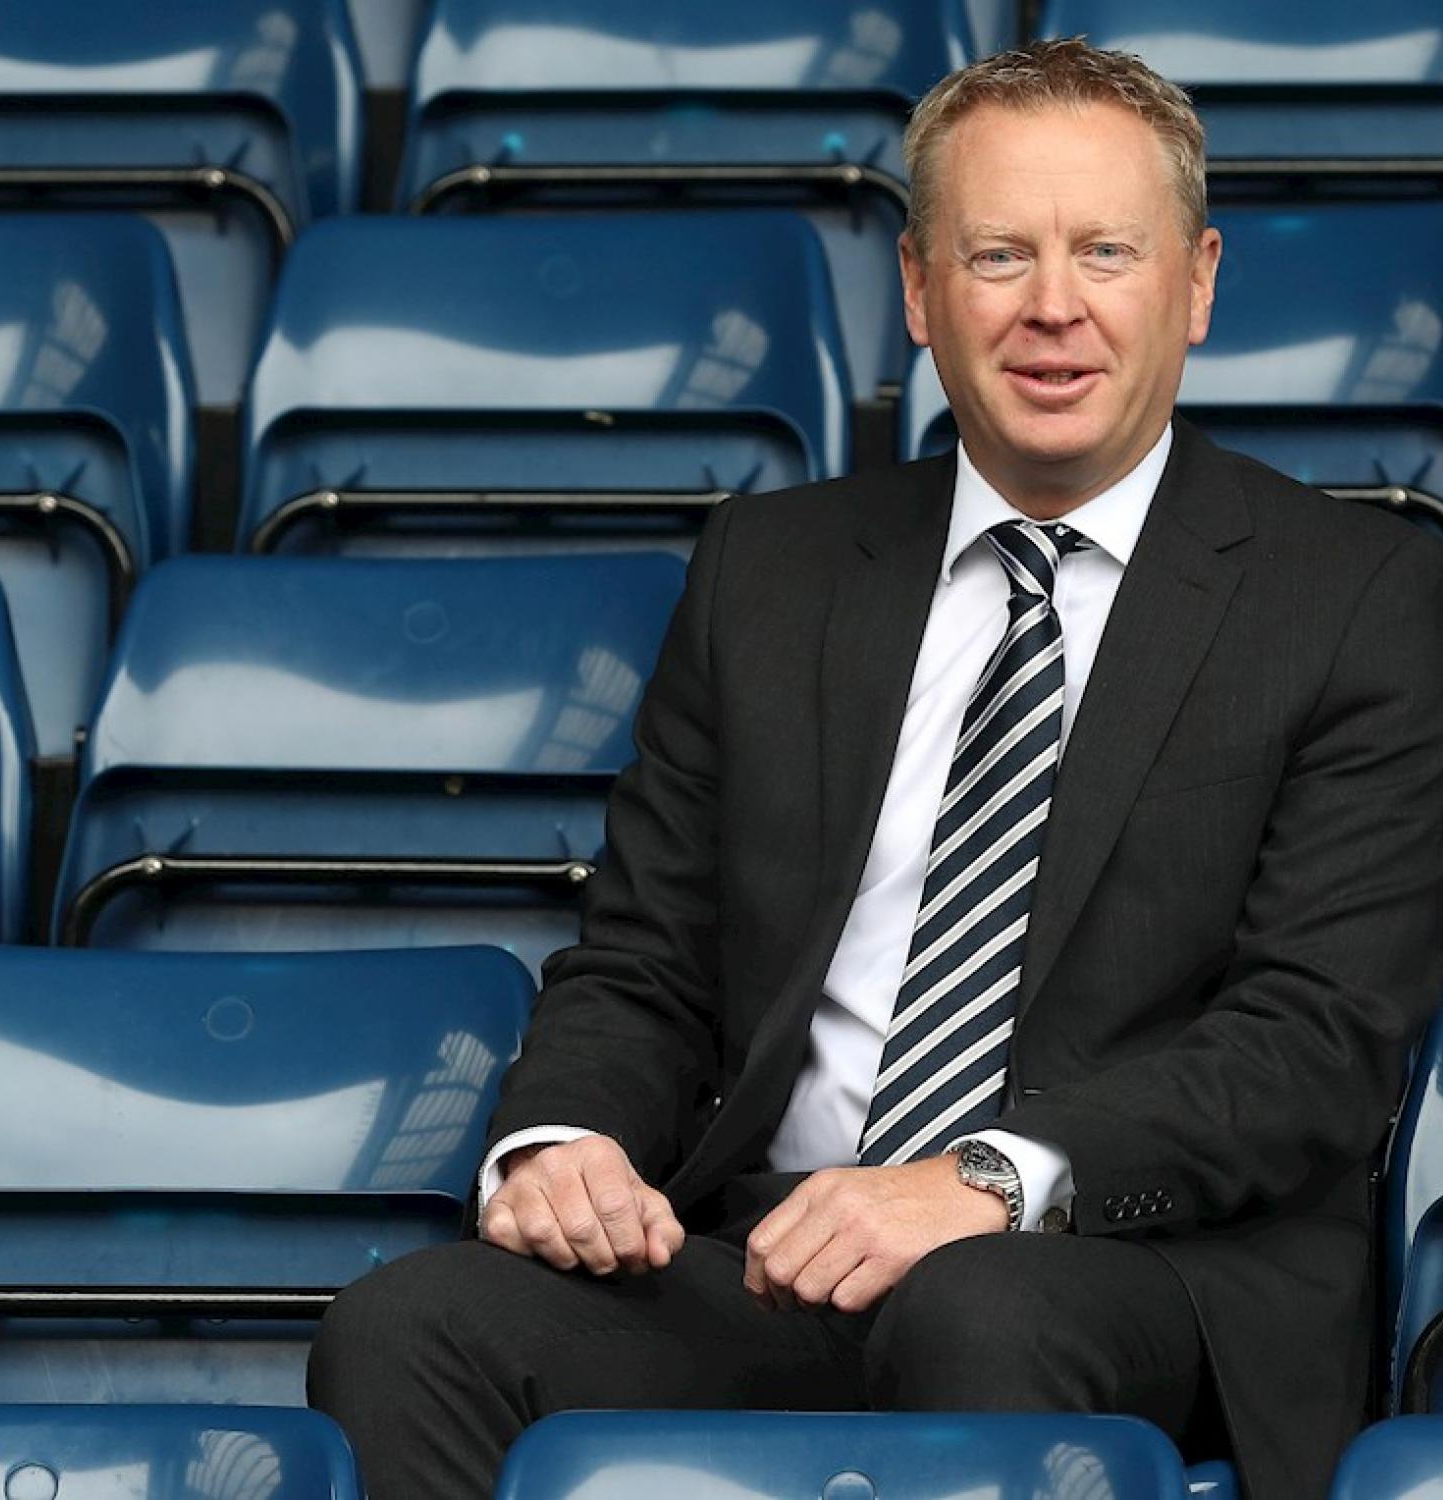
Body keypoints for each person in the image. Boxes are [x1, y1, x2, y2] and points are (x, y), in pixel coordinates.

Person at [307, 37, 1443, 1500]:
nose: (1053, 307)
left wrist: (976, 1184)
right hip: (772, 1256)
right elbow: (646, 959)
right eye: (997, 254)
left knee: (977, 1305)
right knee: (410, 1327)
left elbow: (1311, 1049)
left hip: (1128, 1270)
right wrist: (567, 1137)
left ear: (1200, 283)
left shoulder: (1359, 596)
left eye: (1107, 251)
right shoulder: (771, 574)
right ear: (918, 290)